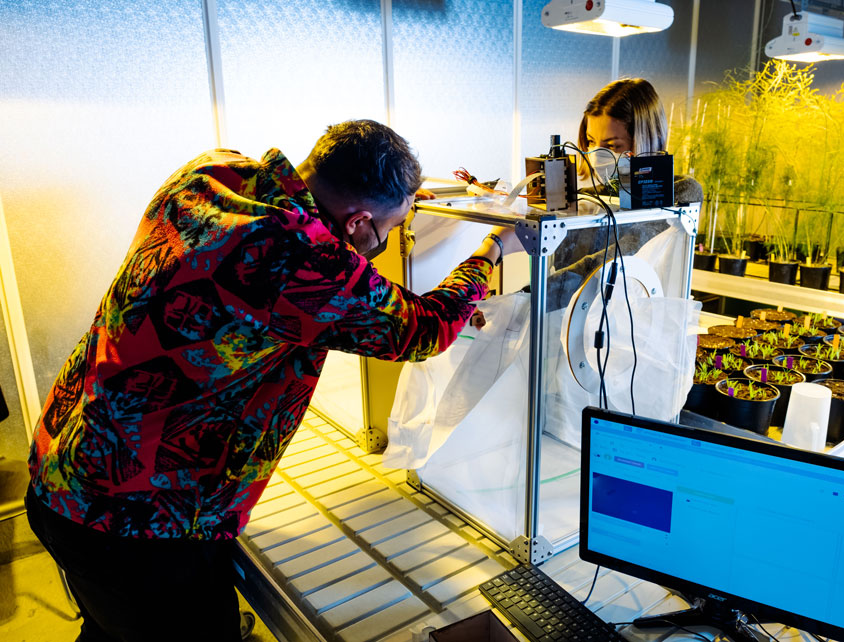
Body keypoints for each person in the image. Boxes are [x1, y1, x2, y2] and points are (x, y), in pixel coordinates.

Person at [24, 119, 522, 641]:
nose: (391, 238)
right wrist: (493, 248)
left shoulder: (213, 173)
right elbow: (424, 328)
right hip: (136, 521)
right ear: (355, 222)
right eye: (390, 228)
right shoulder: (300, 256)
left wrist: (392, 211)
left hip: (65, 463)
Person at [547, 78, 703, 310]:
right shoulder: (591, 198)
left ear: (644, 140)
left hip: (636, 328)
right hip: (576, 323)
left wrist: (534, 298)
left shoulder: (678, 195)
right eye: (591, 142)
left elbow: (615, 258)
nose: (596, 154)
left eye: (612, 146)